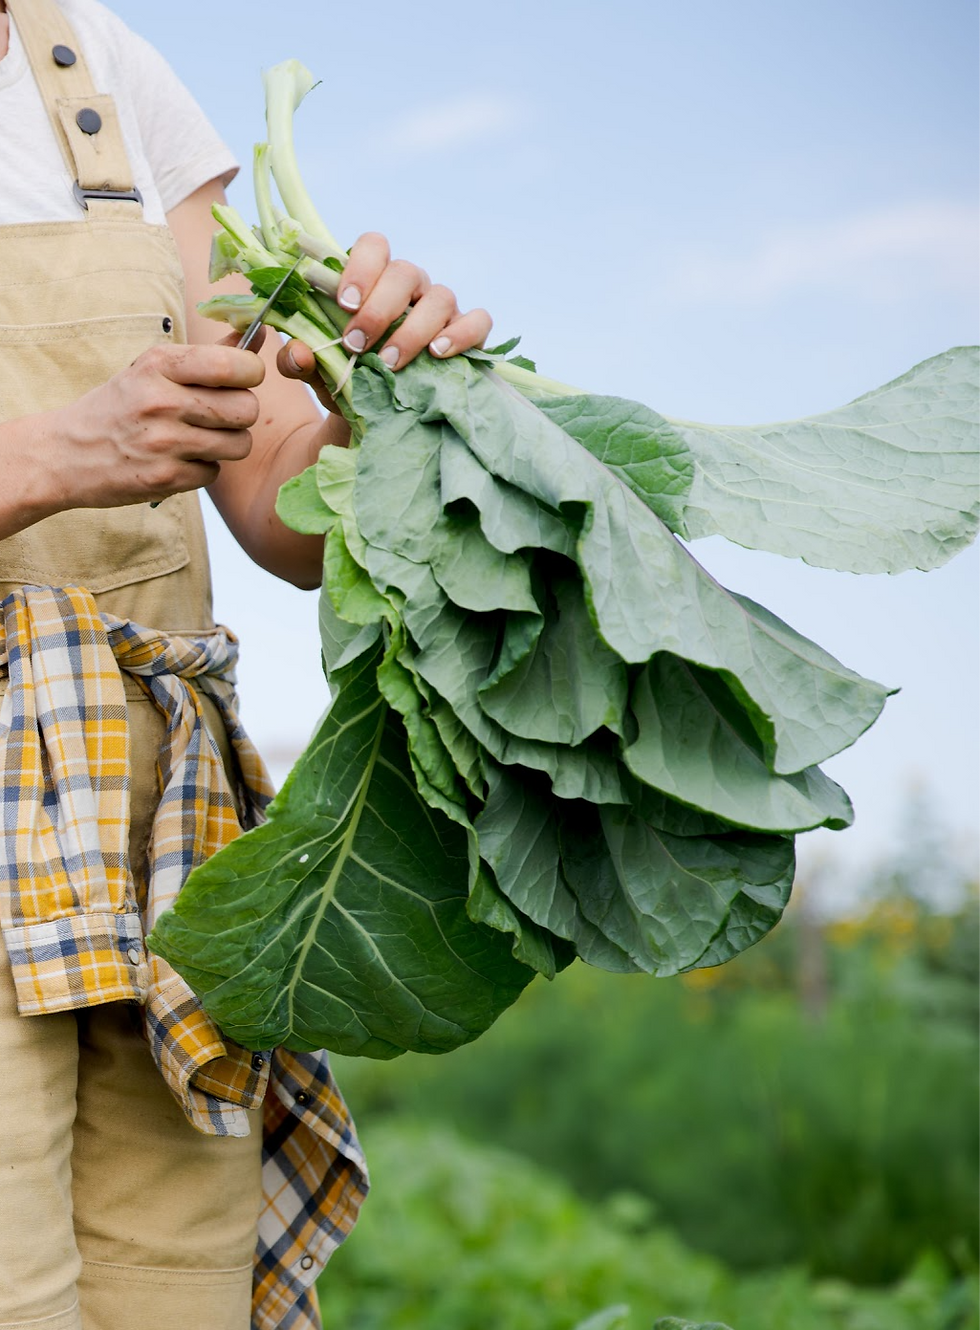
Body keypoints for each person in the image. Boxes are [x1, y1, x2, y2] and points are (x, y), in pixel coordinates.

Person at [0, 1, 492, 1328]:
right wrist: (49, 456)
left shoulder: (98, 69)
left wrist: (372, 403)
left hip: (153, 846)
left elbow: (274, 490)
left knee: (182, 1294)